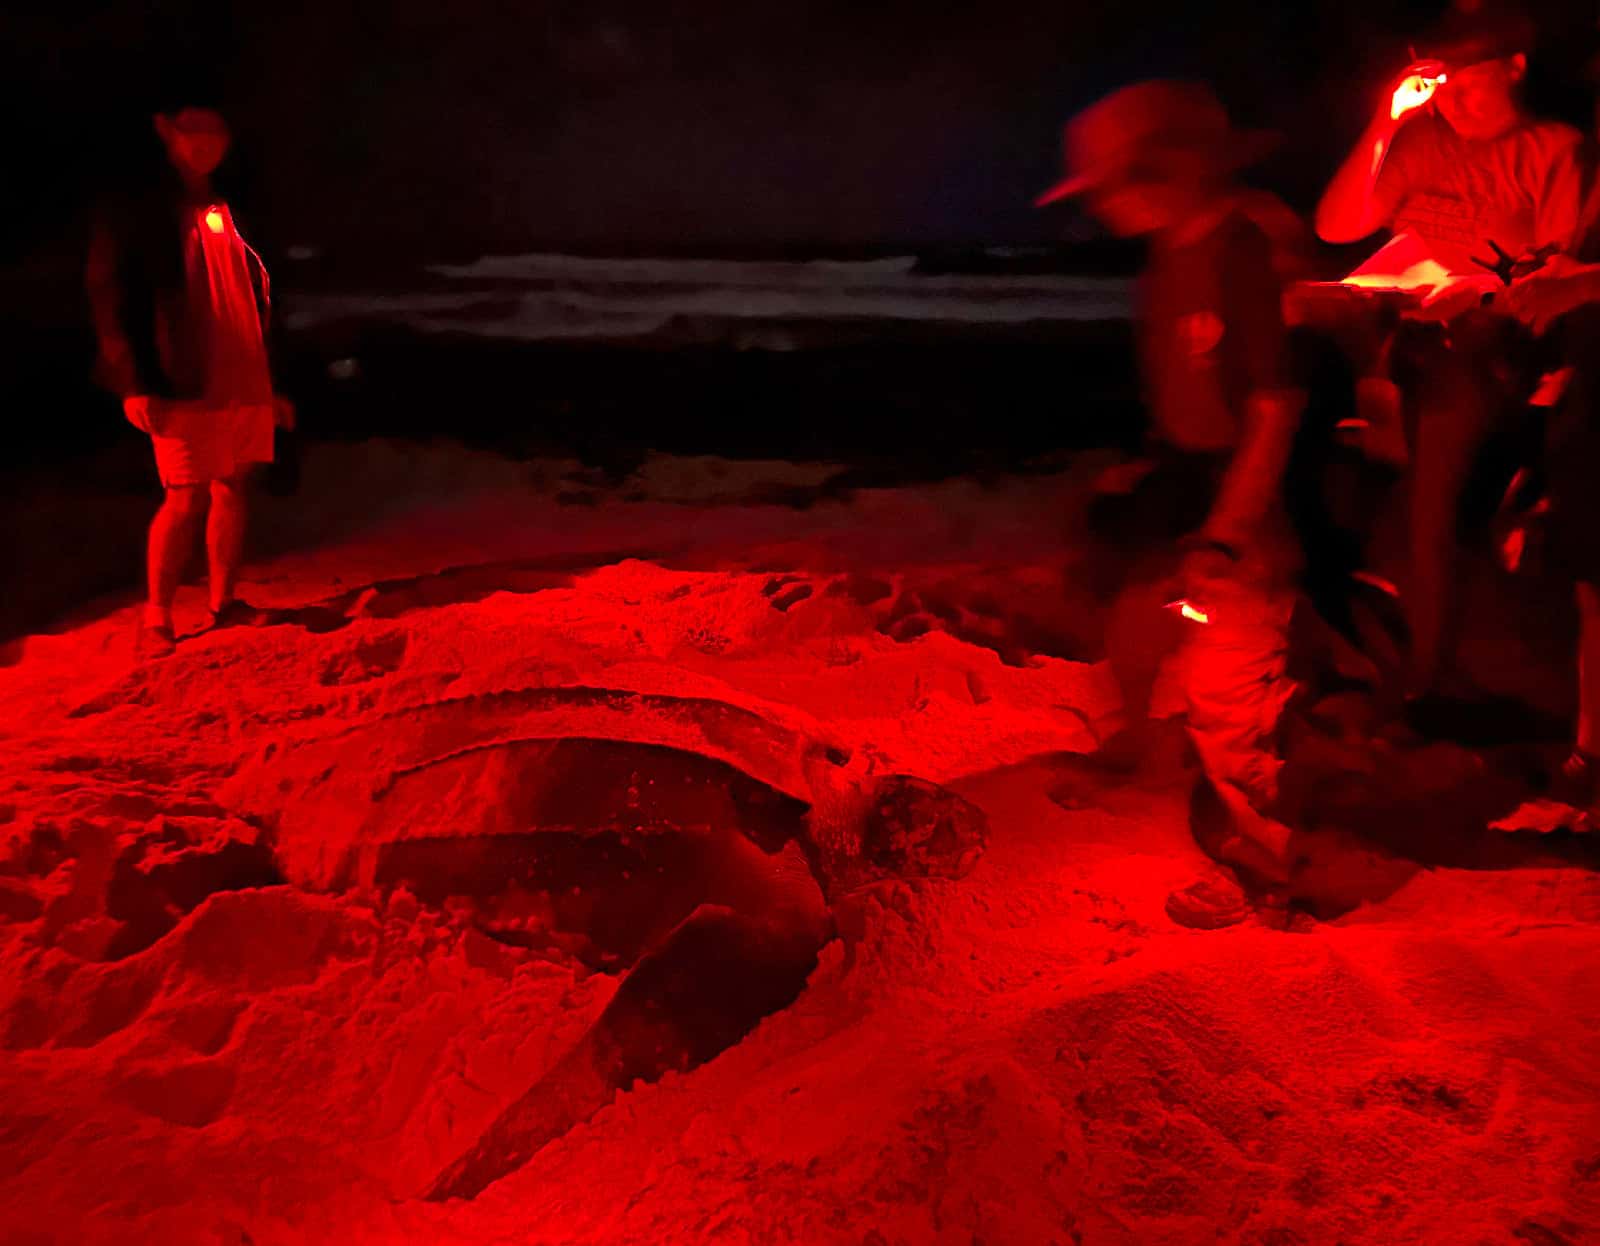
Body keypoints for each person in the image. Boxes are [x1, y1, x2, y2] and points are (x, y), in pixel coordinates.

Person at [1037, 80, 1310, 925]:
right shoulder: (1170, 255)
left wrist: (1229, 530)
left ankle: (1270, 860)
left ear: (1167, 173)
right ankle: (1146, 755)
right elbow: (1189, 386)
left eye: (1110, 188)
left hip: (1253, 489)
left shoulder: (1249, 249)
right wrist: (1146, 470)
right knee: (1132, 616)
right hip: (1193, 471)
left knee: (1231, 681)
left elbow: (1278, 407)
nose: (1104, 209)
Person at [1314, 4, 1584, 706]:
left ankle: (1426, 677)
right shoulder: (1423, 141)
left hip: (1487, 345)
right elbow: (1338, 224)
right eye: (1444, 82)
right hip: (1402, 338)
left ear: (1515, 68)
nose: (1455, 97)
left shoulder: (1553, 148)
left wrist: (1473, 289)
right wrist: (1387, 121)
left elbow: (1554, 280)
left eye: (1472, 80)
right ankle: (1388, 636)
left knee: (1430, 497)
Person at [86, 103, 294, 659]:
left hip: (243, 371)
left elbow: (263, 293)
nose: (205, 142)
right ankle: (156, 618)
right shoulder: (137, 209)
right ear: (166, 132)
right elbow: (113, 298)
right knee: (183, 495)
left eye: (215, 131)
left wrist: (272, 382)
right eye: (192, 130)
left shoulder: (232, 201)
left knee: (234, 487)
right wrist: (133, 382)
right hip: (180, 374)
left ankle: (225, 602)